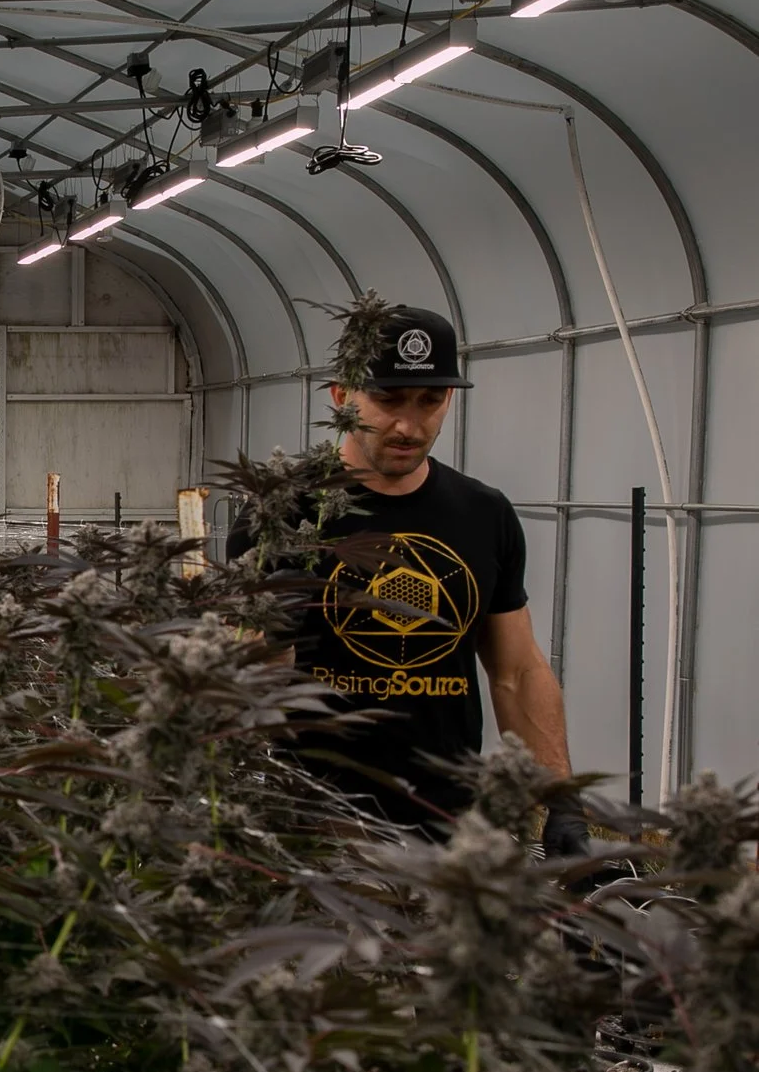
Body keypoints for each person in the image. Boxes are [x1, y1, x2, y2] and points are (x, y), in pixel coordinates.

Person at [227, 306, 590, 856]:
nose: (408, 425)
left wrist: (560, 798)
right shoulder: (284, 512)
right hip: (315, 823)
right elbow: (247, 679)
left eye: (430, 401)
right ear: (341, 397)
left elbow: (516, 671)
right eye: (389, 399)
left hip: (449, 823)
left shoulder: (483, 514)